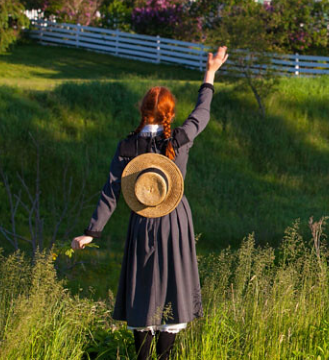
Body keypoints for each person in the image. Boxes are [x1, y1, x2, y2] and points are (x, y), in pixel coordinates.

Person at [71, 46, 228, 360]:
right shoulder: (179, 139)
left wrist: (92, 231)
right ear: (170, 113)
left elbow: (111, 190)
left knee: (144, 289)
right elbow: (203, 113)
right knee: (173, 287)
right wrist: (210, 73)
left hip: (142, 220)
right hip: (176, 220)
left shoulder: (127, 145)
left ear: (143, 110)